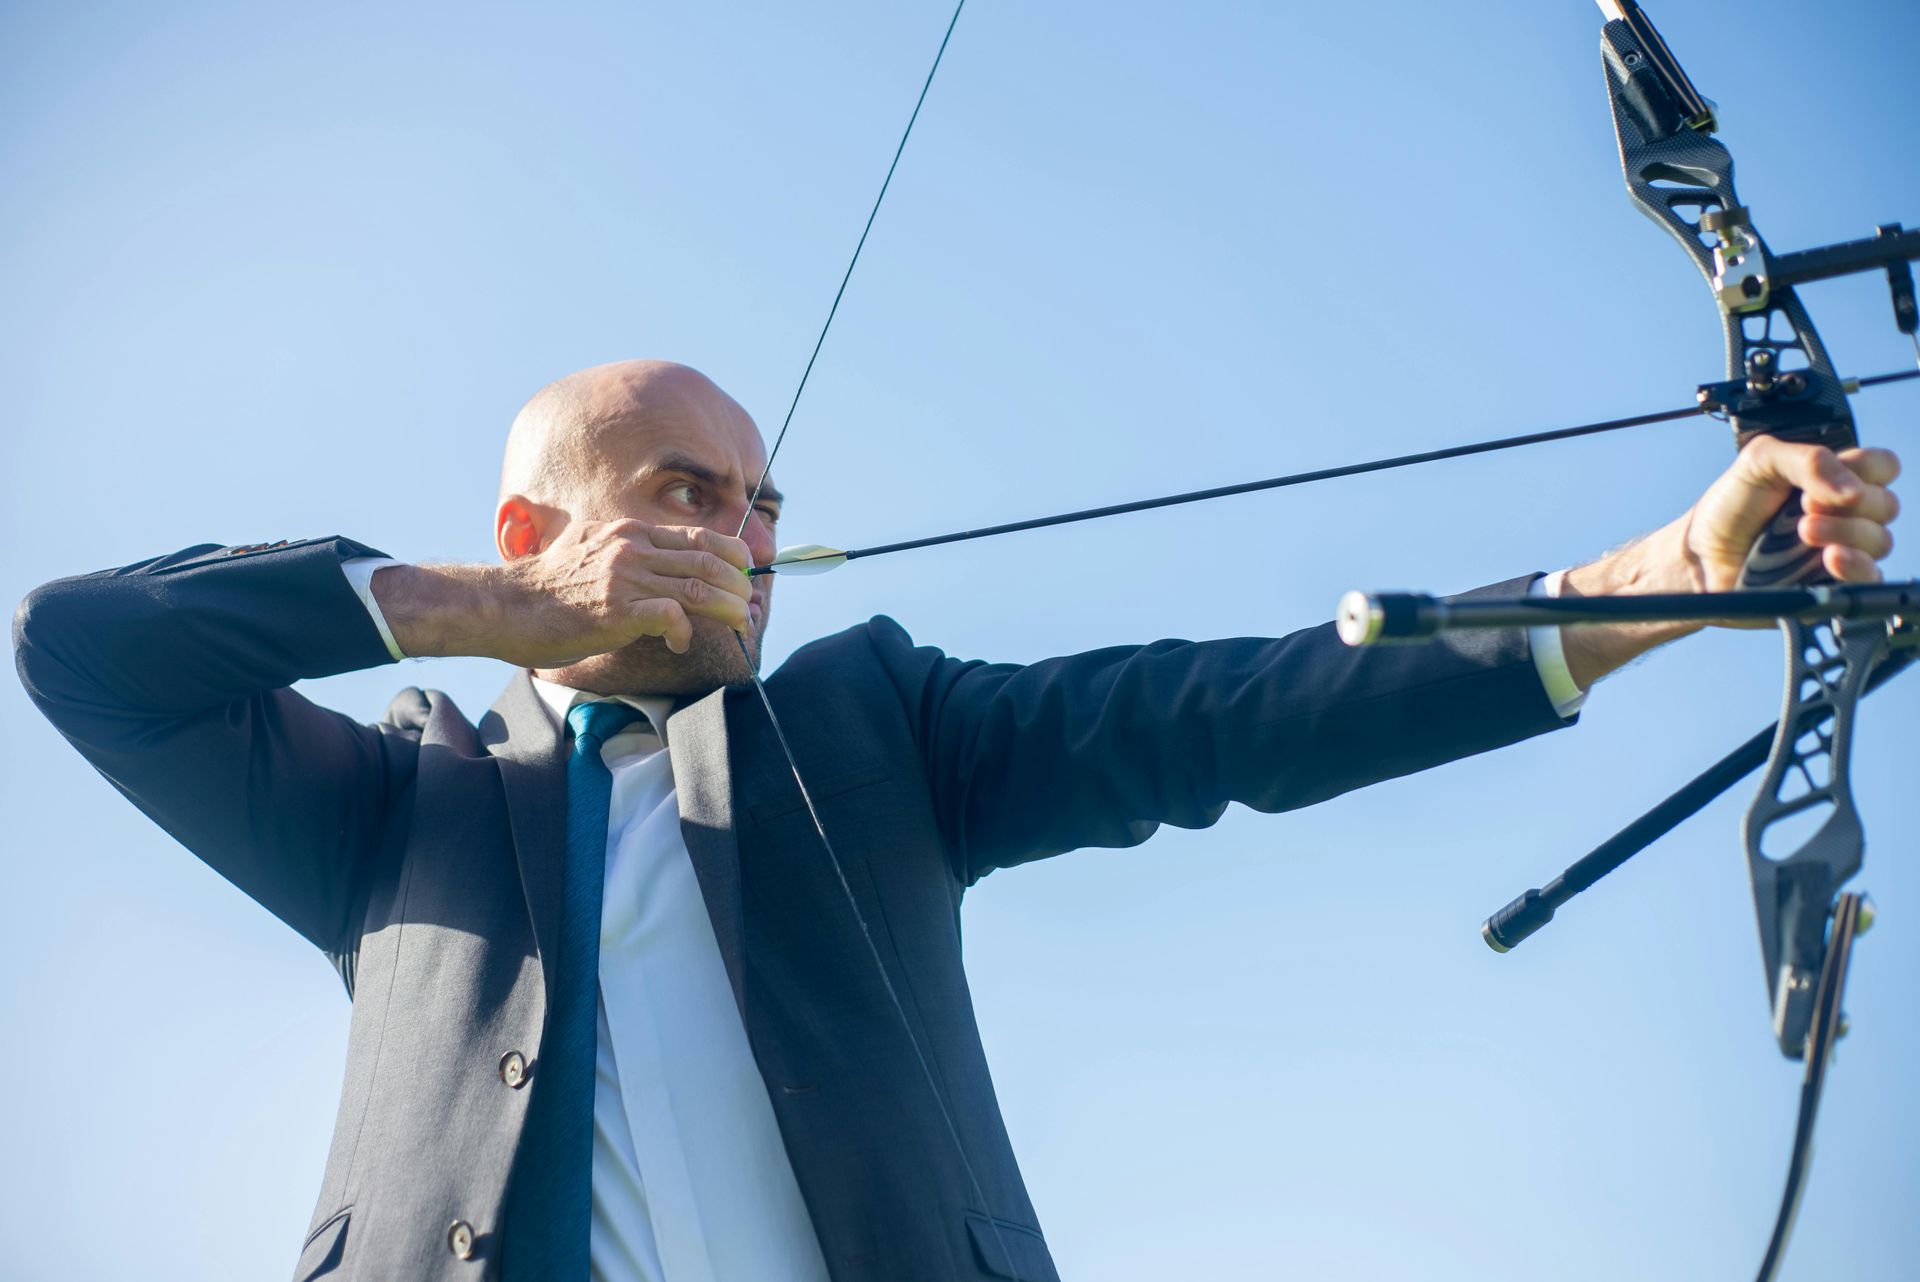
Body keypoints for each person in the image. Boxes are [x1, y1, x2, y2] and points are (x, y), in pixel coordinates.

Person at [13, 359, 1901, 1282]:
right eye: (692, 487)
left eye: (764, 501)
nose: (749, 534)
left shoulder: (871, 723)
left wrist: (1667, 571)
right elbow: (79, 649)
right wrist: (472, 613)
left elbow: (1233, 711)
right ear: (541, 530)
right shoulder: (393, 798)